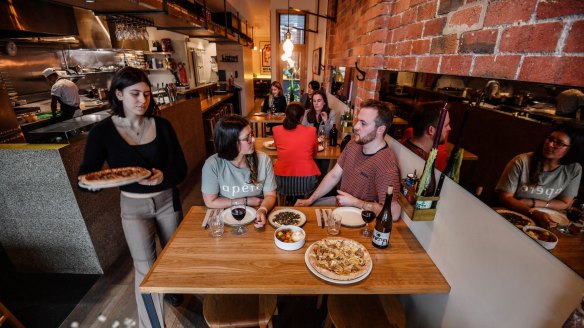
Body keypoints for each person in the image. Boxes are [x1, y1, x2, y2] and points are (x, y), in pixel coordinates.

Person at [78, 67, 187, 328]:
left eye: (147, 95)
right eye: (135, 94)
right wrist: (90, 184)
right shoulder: (102, 132)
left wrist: (164, 176)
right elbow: (86, 175)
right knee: (144, 268)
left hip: (166, 200)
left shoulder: (162, 125)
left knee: (173, 257)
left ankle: (173, 289)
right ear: (118, 94)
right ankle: (152, 325)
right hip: (132, 207)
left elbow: (180, 169)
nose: (142, 100)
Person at [296, 99, 402, 220]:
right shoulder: (353, 144)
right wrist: (310, 199)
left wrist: (357, 203)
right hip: (340, 210)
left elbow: (393, 213)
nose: (356, 126)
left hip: (361, 221)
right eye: (358, 121)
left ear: (380, 129)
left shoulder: (386, 165)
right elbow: (334, 176)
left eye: (363, 123)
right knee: (304, 212)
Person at [496, 124, 583, 229]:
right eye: (550, 139)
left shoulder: (574, 169)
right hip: (511, 216)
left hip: (542, 219)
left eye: (559, 143)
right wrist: (532, 212)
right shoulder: (521, 161)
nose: (550, 144)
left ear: (572, 150)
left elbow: (565, 203)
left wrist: (533, 203)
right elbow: (505, 197)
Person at [201, 115, 277, 227]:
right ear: (230, 142)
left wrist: (263, 210)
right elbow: (210, 201)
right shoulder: (212, 165)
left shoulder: (263, 160)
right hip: (227, 219)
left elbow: (270, 195)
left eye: (252, 134)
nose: (253, 140)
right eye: (247, 138)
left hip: (257, 216)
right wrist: (245, 201)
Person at [273, 102, 321, 204]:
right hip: (307, 180)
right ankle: (299, 200)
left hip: (282, 179)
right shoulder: (311, 131)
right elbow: (315, 152)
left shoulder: (276, 130)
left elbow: (277, 149)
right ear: (302, 117)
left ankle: (289, 199)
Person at [401, 101, 451, 172]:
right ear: (431, 130)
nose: (449, 128)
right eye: (446, 125)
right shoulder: (420, 166)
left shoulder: (405, 144)